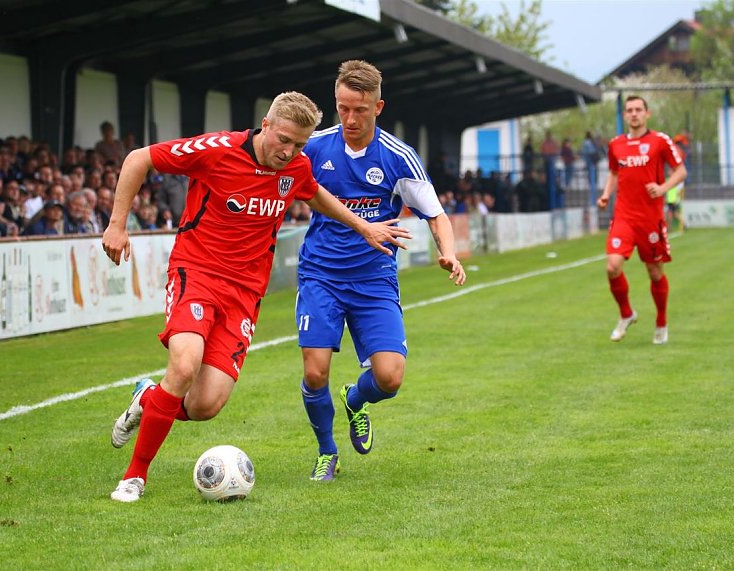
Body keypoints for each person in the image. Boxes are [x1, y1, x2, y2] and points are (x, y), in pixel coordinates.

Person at [102, 90, 410, 503]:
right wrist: (117, 224)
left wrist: (363, 227)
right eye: (283, 139)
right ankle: (134, 477)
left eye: (300, 144)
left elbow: (314, 192)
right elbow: (138, 158)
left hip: (245, 293)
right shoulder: (217, 151)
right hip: (197, 272)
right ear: (265, 124)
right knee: (184, 365)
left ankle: (148, 398)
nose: (290, 151)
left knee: (205, 405)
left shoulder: (296, 167)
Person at [294, 60, 466, 482]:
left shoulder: (398, 157)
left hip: (373, 279)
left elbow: (436, 214)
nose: (350, 119)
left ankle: (355, 400)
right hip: (321, 274)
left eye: (360, 110)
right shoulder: (315, 147)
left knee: (389, 378)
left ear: (379, 106)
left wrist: (450, 252)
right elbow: (284, 182)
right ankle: (326, 452)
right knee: (315, 370)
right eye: (342, 108)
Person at [597, 95, 686, 345]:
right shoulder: (616, 145)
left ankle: (661, 322)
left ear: (647, 113)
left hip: (650, 220)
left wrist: (663, 187)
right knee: (612, 266)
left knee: (655, 273)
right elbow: (614, 172)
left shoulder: (660, 141)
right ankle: (626, 314)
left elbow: (680, 171)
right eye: (629, 110)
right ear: (625, 116)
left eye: (638, 110)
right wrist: (605, 195)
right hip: (624, 217)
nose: (634, 114)